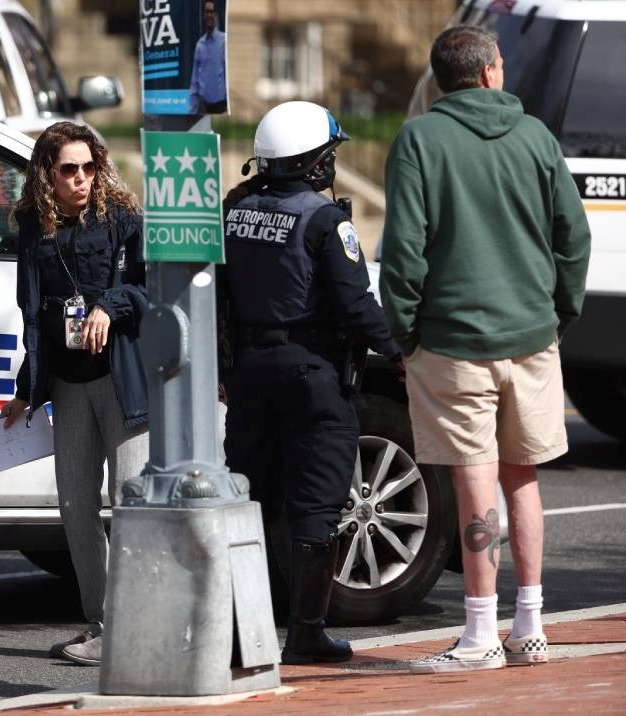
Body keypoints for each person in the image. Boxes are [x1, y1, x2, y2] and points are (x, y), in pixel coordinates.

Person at [379, 26, 591, 675]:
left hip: (452, 340)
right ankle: (528, 625)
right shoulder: (535, 137)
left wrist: (405, 333)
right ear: (493, 72)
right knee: (522, 478)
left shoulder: (420, 139)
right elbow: (573, 237)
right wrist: (558, 313)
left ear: (440, 80)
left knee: (474, 481)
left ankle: (478, 631)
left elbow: (404, 248)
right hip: (529, 336)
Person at [218, 101, 401, 665]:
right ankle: (306, 633)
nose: (333, 163)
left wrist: (227, 368)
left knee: (250, 497)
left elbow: (219, 296)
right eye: (330, 154)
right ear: (313, 162)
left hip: (249, 373)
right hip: (313, 376)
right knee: (316, 505)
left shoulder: (233, 209)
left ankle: (234, 635)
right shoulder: (326, 222)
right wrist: (401, 351)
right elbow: (355, 306)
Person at [0, 121, 148, 668]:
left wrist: (111, 304)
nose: (82, 179)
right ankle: (103, 621)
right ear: (47, 174)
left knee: (131, 504)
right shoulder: (32, 230)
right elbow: (33, 319)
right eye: (69, 169)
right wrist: (25, 390)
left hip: (122, 381)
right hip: (67, 384)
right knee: (75, 506)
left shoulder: (123, 220)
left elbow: (150, 285)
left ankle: (134, 624)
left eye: (89, 167)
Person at [188, 0, 228, 114]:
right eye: (206, 12)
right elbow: (194, 81)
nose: (209, 15)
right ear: (203, 16)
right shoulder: (199, 44)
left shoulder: (224, 41)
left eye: (211, 12)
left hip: (221, 107)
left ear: (216, 15)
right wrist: (192, 110)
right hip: (203, 107)